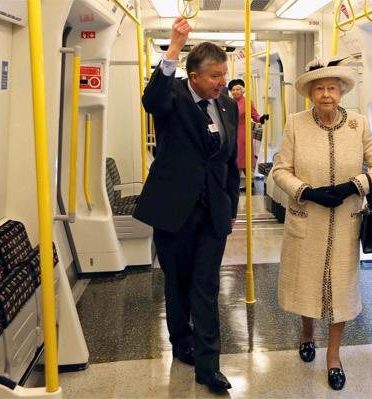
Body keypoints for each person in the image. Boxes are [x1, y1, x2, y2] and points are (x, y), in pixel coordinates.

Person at [271, 56, 372, 391]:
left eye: (332, 88)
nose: (326, 94)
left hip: (345, 222)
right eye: (320, 89)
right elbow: (280, 170)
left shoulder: (359, 124)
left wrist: (355, 185)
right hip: (308, 218)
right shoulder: (295, 124)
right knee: (306, 284)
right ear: (310, 94)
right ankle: (307, 332)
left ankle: (333, 356)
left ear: (341, 92)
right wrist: (305, 191)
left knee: (342, 290)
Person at [134, 16, 239, 393]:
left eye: (224, 74)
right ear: (193, 76)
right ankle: (182, 342)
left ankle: (209, 367)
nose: (221, 81)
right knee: (177, 283)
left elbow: (228, 161)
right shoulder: (173, 96)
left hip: (213, 212)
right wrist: (174, 48)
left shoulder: (227, 105)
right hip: (174, 210)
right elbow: (152, 99)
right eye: (214, 75)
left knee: (205, 286)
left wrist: (230, 205)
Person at [227, 79, 262, 182]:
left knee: (243, 158)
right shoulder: (229, 102)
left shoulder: (247, 102)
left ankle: (246, 182)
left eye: (237, 89)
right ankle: (240, 182)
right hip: (231, 132)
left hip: (243, 133)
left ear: (242, 91)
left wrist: (261, 119)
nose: (235, 92)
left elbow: (255, 115)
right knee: (235, 158)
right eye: (233, 90)